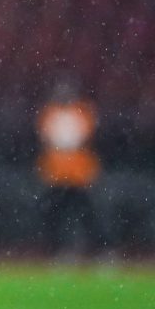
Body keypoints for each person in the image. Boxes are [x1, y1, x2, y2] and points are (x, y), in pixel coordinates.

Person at [36, 76, 103, 257]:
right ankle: (58, 250)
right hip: (57, 172)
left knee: (86, 214)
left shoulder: (82, 112)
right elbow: (48, 138)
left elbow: (83, 138)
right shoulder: (51, 113)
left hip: (78, 173)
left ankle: (97, 250)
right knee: (56, 215)